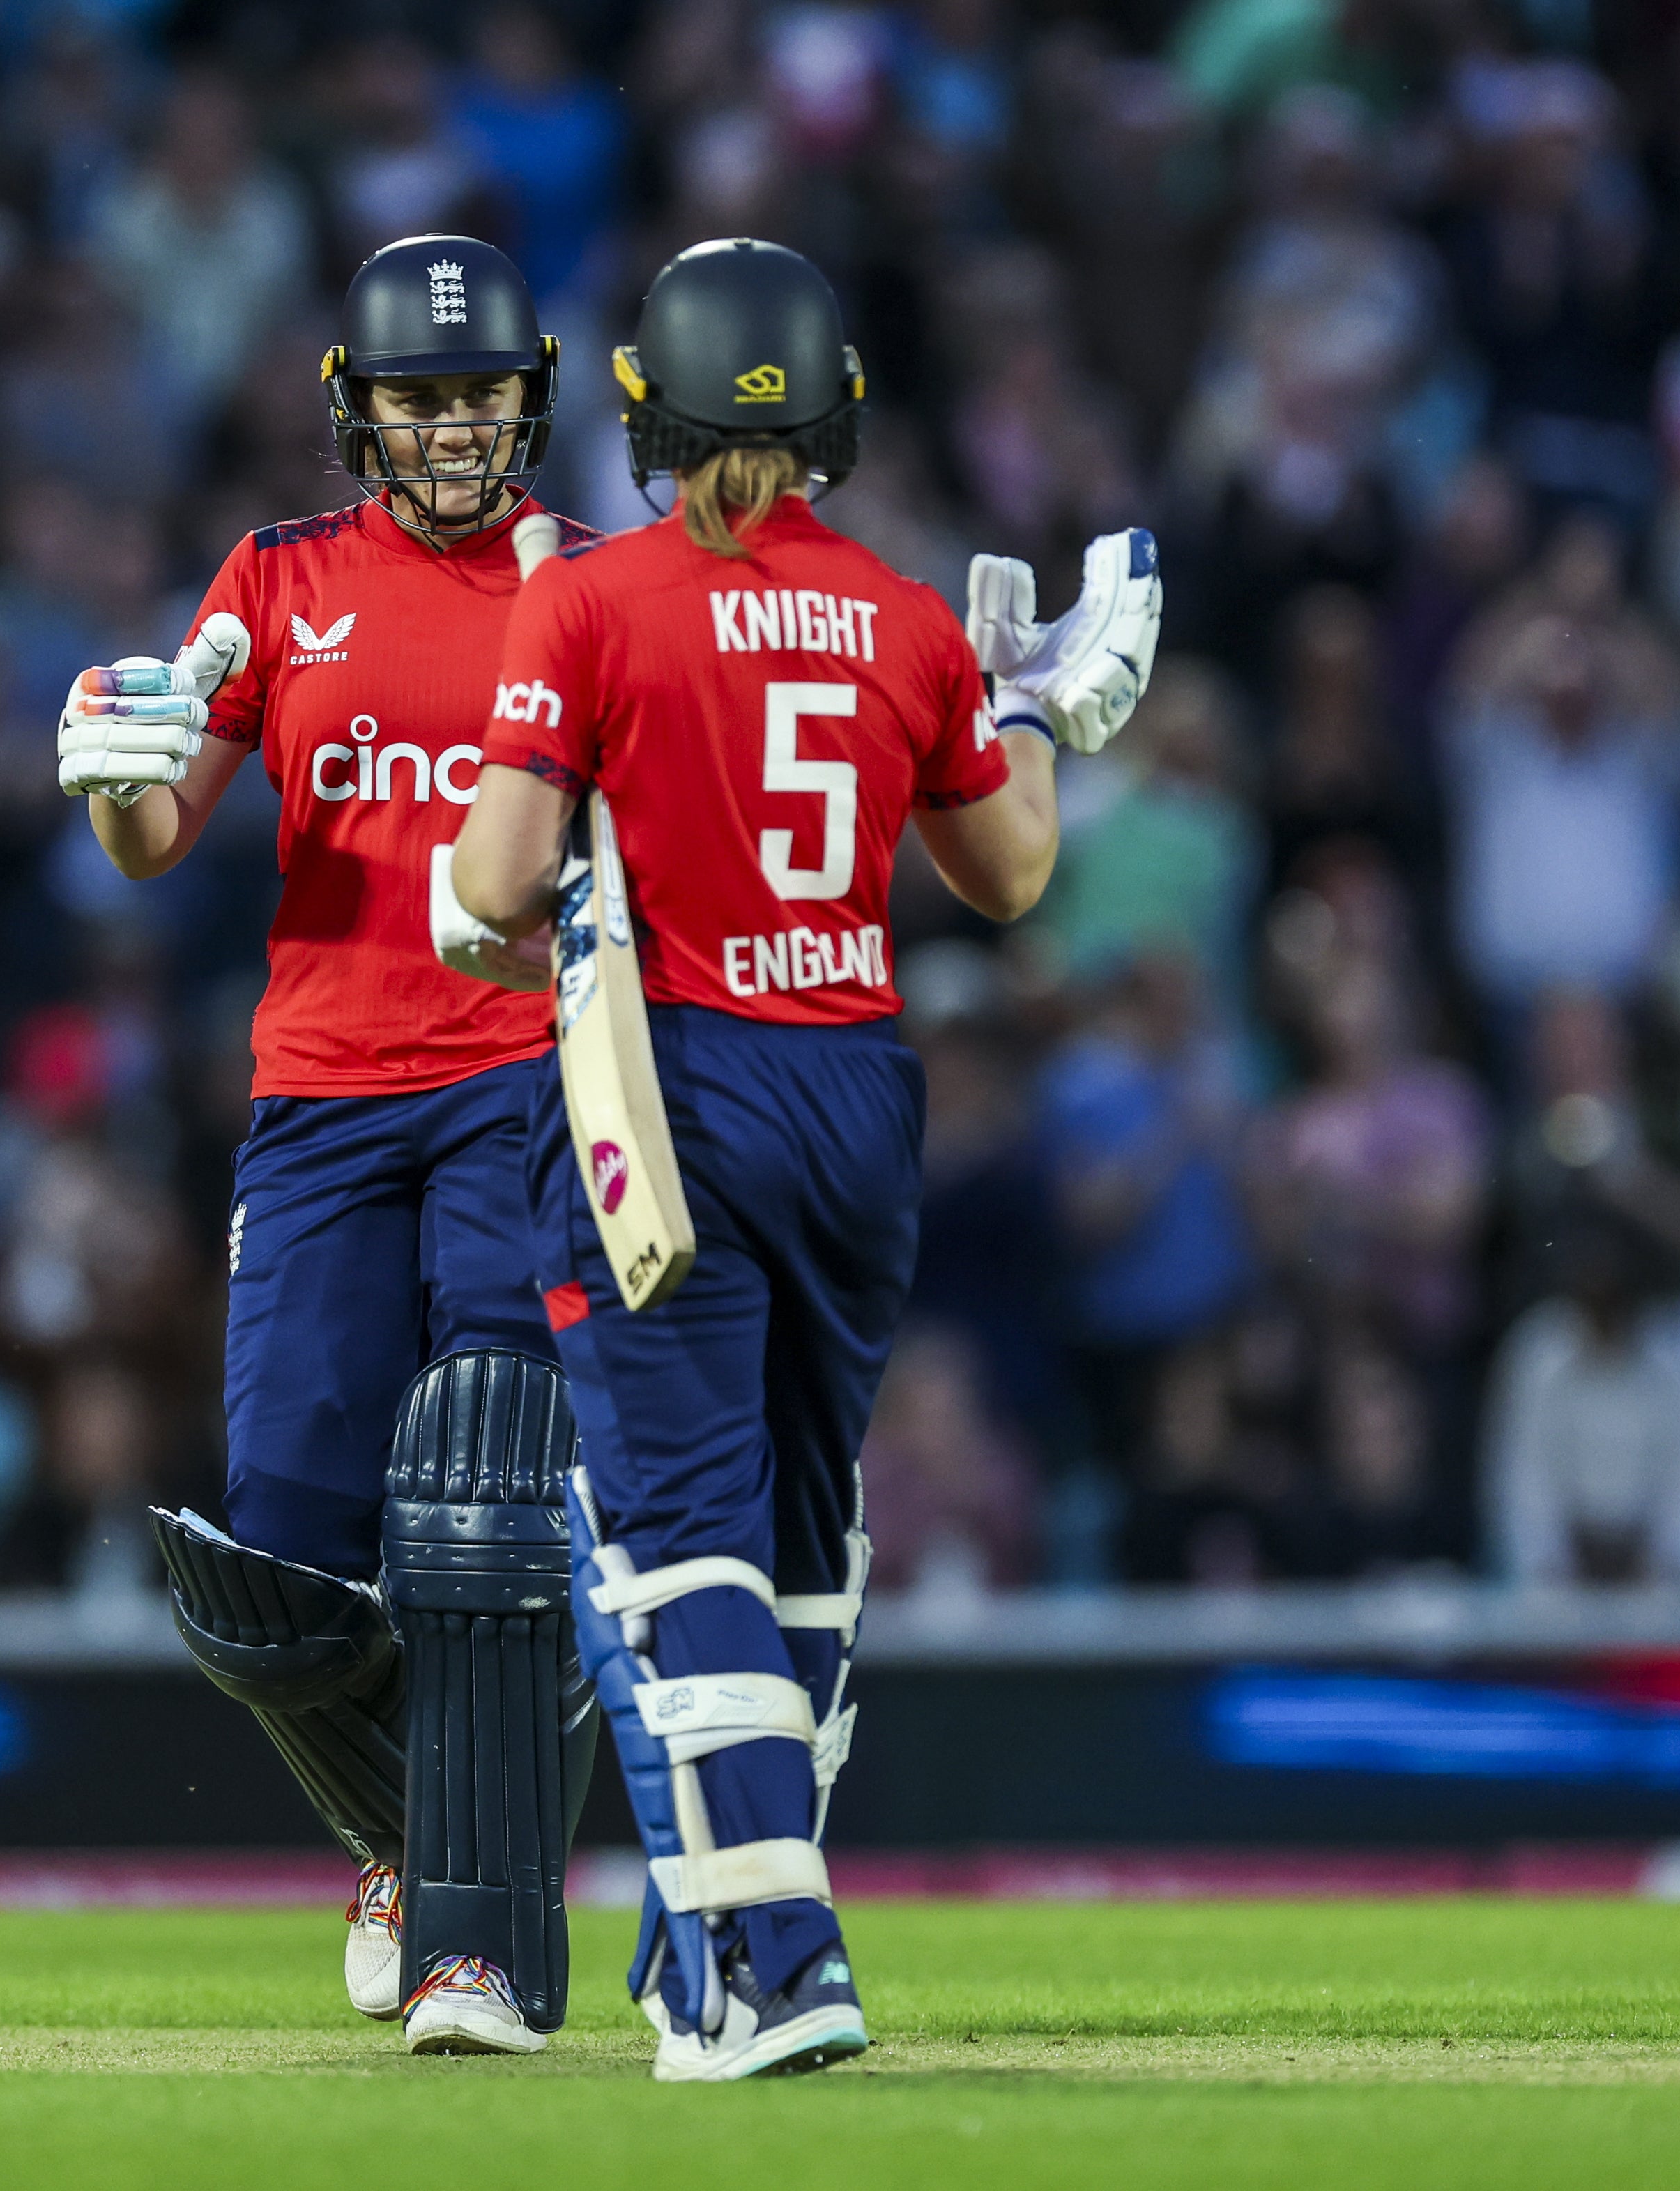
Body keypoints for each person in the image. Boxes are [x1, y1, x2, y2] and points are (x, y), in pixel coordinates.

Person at [449, 239, 1133, 2078]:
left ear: (650, 411)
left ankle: (775, 1961)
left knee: (675, 1546)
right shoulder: (907, 618)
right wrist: (1027, 706)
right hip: (855, 1091)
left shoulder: (589, 603)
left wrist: (482, 885)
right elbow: (1009, 878)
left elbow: (496, 886)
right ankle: (706, 1958)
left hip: (670, 1080)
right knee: (797, 1539)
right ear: (830, 407)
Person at [53, 236, 595, 2056]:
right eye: (419, 400)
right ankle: (407, 1836)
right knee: (279, 1533)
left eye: (479, 397)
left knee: (488, 1500)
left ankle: (454, 1898)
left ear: (529, 399)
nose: (452, 433)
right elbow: (160, 836)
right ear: (356, 414)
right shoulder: (272, 582)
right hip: (322, 1097)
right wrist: (113, 768)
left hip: (527, 1074)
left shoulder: (591, 588)